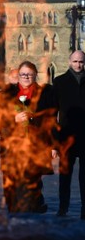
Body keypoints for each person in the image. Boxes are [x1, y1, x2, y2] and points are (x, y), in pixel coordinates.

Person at [0, 61, 54, 213]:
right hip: (13, 145)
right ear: (18, 76)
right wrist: (13, 119)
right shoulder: (8, 94)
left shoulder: (46, 93)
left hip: (35, 144)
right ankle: (16, 209)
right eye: (23, 74)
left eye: (29, 74)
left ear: (35, 75)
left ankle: (34, 209)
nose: (26, 77)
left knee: (32, 180)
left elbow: (50, 119)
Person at [52, 50, 85, 219]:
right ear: (69, 61)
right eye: (75, 61)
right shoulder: (59, 82)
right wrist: (55, 140)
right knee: (65, 175)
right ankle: (63, 208)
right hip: (66, 136)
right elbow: (53, 112)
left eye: (81, 62)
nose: (78, 65)